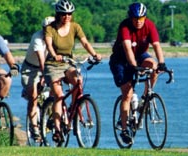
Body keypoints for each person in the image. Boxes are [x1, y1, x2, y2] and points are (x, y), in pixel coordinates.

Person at [109, 2, 168, 144]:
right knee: (127, 94)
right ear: (131, 18)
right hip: (120, 60)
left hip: (140, 55)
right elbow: (128, 49)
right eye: (136, 18)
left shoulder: (149, 25)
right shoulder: (125, 26)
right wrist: (134, 67)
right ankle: (124, 129)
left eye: (141, 18)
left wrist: (162, 63)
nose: (138, 21)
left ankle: (145, 98)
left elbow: (156, 45)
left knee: (153, 66)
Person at [44, 0, 101, 142]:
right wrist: (54, 55)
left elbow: (85, 42)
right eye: (64, 14)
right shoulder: (50, 28)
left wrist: (95, 54)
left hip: (68, 63)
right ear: (58, 14)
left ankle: (74, 108)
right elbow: (49, 44)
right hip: (53, 64)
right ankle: (57, 129)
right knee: (59, 95)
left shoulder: (75, 27)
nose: (67, 17)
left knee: (78, 80)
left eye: (69, 14)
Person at [21, 16, 55, 140]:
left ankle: (51, 114)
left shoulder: (56, 36)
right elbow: (41, 60)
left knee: (56, 89)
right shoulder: (37, 38)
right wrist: (44, 76)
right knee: (34, 97)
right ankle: (34, 126)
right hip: (30, 69)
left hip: (47, 67)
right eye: (48, 28)